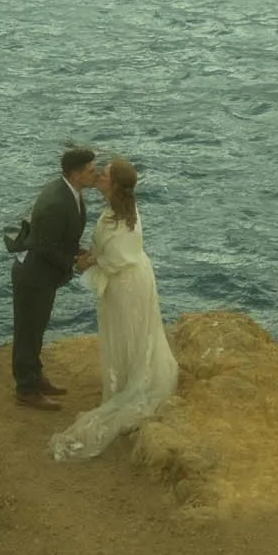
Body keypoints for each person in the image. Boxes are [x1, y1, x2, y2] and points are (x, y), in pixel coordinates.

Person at [49, 156, 178, 460]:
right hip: (127, 280)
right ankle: (124, 380)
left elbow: (118, 257)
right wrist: (91, 255)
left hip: (127, 284)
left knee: (127, 332)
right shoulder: (118, 210)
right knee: (127, 333)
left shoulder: (117, 216)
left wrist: (90, 261)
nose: (99, 176)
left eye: (104, 174)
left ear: (115, 184)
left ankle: (129, 385)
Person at [11, 145, 97, 408]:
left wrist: (75, 251)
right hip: (33, 276)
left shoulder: (69, 192)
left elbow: (60, 238)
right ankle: (26, 389)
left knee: (36, 328)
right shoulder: (56, 203)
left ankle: (35, 377)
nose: (96, 174)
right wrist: (74, 263)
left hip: (42, 273)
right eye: (91, 171)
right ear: (75, 174)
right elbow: (44, 247)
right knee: (29, 331)